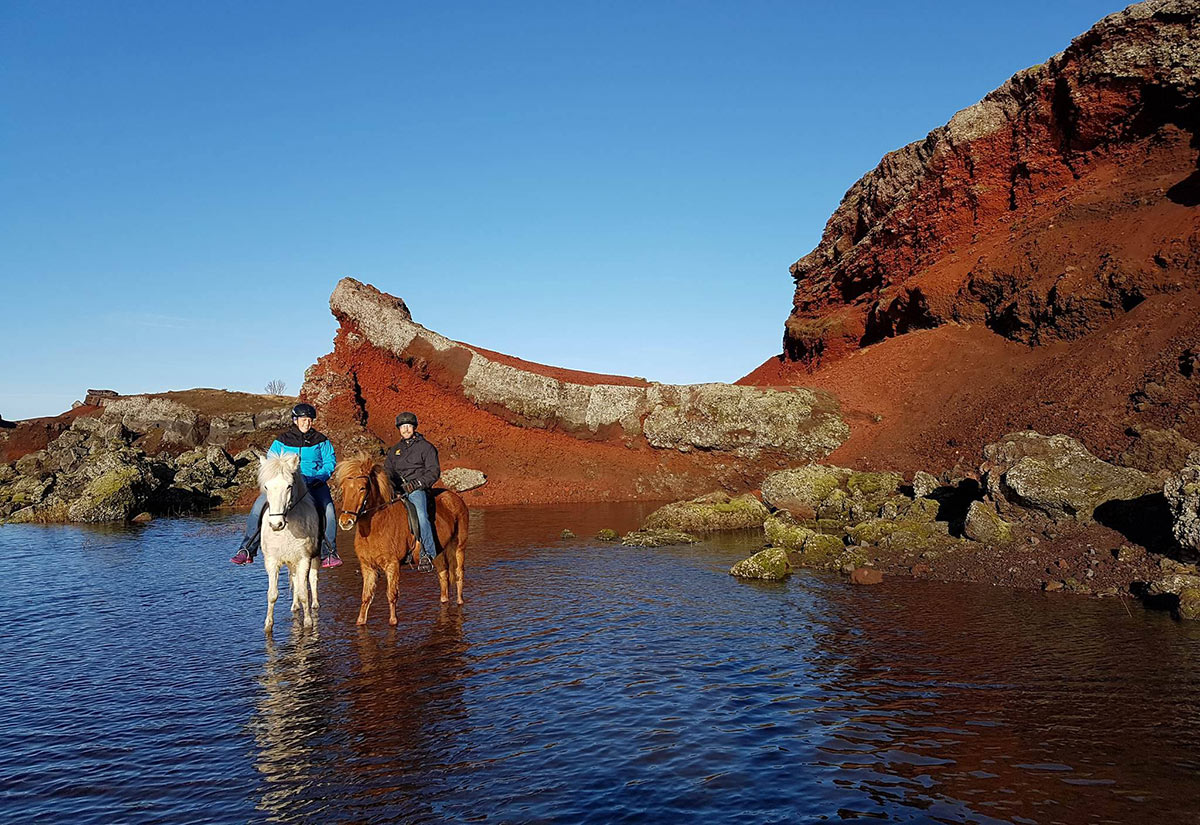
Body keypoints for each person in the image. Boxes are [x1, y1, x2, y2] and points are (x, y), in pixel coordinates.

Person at [231, 402, 341, 568]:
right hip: (285, 483)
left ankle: (329, 553)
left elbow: (330, 462)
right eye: (303, 419)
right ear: (295, 420)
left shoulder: (321, 440)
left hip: (314, 483)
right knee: (258, 507)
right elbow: (271, 463)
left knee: (330, 512)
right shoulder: (282, 441)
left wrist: (320, 477)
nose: (307, 422)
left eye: (310, 419)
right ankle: (247, 549)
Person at [384, 411, 441, 572]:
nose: (406, 429)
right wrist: (390, 486)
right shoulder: (394, 450)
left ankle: (427, 553)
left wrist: (416, 484)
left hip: (417, 489)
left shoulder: (426, 447)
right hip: (398, 490)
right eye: (403, 427)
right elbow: (388, 470)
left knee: (421, 516)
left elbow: (433, 472)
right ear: (399, 429)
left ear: (414, 428)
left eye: (409, 426)